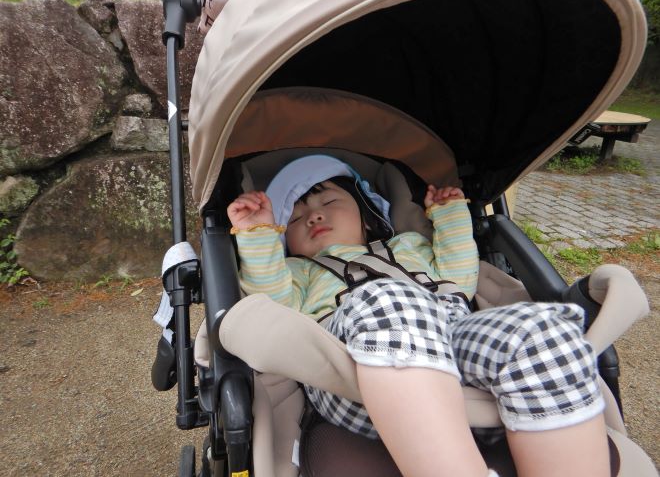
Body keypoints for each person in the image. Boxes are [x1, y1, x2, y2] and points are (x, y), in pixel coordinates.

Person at [227, 155, 610, 477]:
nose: (313, 217)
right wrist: (258, 233)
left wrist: (450, 215)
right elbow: (272, 299)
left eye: (328, 202)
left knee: (541, 330)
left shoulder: (409, 244)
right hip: (350, 372)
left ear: (367, 215)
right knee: (387, 297)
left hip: (452, 337)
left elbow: (459, 278)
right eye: (294, 218)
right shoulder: (298, 271)